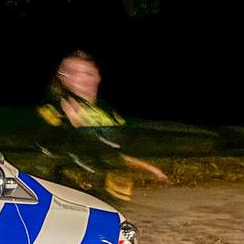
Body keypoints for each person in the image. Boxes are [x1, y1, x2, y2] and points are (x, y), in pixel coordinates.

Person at [37, 50, 166, 203]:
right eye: (70, 72)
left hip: (114, 193)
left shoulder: (109, 114)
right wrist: (70, 128)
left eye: (87, 72)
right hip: (73, 195)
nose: (79, 77)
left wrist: (149, 168)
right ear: (61, 78)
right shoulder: (52, 111)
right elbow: (49, 153)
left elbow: (114, 151)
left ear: (98, 76)